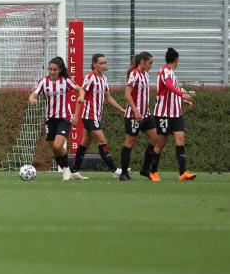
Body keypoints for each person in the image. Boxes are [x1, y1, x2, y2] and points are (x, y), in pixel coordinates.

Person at [69, 53, 125, 180]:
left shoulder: (104, 79)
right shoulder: (90, 77)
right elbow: (82, 91)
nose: (104, 65)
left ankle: (73, 170)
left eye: (105, 63)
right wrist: (76, 115)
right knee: (102, 141)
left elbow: (108, 97)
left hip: (96, 117)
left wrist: (121, 109)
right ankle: (115, 171)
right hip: (89, 116)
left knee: (85, 143)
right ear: (94, 64)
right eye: (101, 63)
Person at [28, 57, 82, 181]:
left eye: (55, 70)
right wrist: (32, 99)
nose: (52, 72)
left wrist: (79, 104)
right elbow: (33, 94)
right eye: (50, 69)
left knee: (58, 146)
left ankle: (66, 170)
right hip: (50, 119)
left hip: (64, 118)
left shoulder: (66, 81)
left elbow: (80, 89)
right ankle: (68, 170)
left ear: (60, 70)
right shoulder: (43, 82)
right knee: (54, 147)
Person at [149, 48, 196, 182]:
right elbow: (169, 86)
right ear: (177, 60)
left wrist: (182, 101)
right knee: (161, 142)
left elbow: (170, 93)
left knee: (180, 140)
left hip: (176, 114)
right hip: (163, 114)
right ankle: (153, 172)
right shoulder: (165, 71)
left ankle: (183, 173)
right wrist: (183, 94)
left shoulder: (172, 73)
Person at [118, 52, 157, 181]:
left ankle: (145, 169)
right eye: (150, 63)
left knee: (156, 139)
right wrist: (135, 111)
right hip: (134, 115)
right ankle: (123, 173)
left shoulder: (146, 75)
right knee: (130, 143)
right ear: (142, 62)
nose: (151, 65)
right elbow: (127, 94)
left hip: (146, 115)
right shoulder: (134, 74)